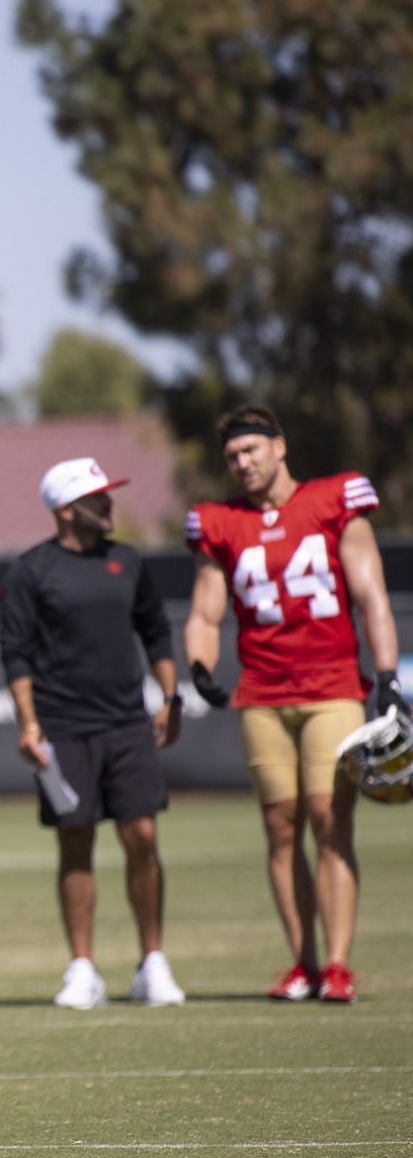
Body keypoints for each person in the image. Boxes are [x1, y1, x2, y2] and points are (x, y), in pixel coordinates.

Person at [184, 405, 398, 1003]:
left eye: (250, 450)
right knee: (281, 830)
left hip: (332, 687)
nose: (241, 463)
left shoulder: (335, 499)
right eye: (231, 457)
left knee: (331, 821)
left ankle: (337, 962)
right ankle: (301, 962)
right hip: (263, 694)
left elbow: (370, 593)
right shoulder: (218, 523)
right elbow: (206, 609)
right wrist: (200, 664)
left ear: (279, 447)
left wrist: (386, 674)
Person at [0, 457, 186, 1010]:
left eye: (108, 495)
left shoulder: (127, 561)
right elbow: (15, 652)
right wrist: (29, 725)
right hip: (63, 729)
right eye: (96, 497)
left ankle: (152, 963)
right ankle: (83, 969)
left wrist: (170, 698)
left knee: (143, 839)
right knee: (75, 842)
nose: (108, 505)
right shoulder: (31, 570)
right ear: (65, 509)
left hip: (128, 724)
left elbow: (155, 631)